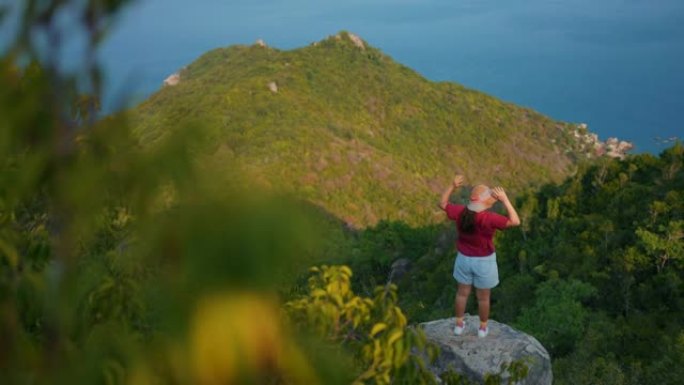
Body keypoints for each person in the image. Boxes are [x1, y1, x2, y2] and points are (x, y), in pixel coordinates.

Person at [439, 175, 520, 338]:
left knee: (462, 294)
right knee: (483, 298)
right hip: (484, 261)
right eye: (488, 193)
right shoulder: (489, 218)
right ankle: (482, 328)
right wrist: (505, 200)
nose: (491, 194)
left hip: (463, 259)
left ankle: (459, 325)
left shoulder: (461, 212)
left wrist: (452, 185)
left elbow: (442, 204)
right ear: (479, 199)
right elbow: (515, 221)